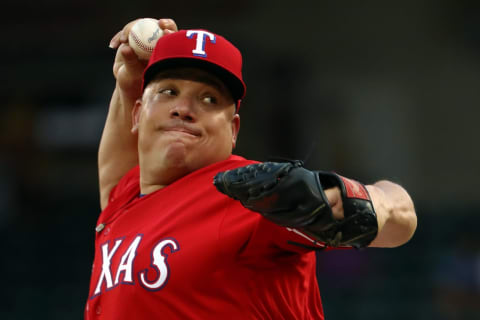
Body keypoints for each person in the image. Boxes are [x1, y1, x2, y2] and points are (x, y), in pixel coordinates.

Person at [85, 18, 417, 319]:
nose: (184, 108)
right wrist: (127, 81)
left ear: (233, 130)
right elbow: (112, 176)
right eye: (169, 92)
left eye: (209, 99)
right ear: (138, 113)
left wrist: (352, 201)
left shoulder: (247, 196)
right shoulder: (124, 203)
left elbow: (401, 215)